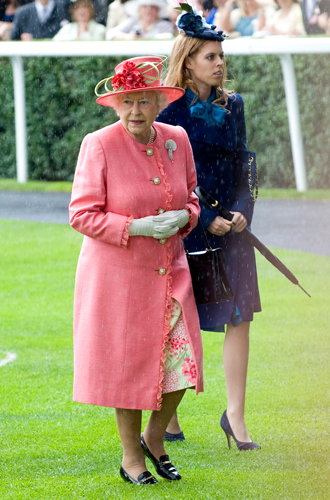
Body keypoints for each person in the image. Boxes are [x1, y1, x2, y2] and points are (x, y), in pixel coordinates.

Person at [69, 56, 204, 484]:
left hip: (170, 273)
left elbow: (193, 198)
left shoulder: (176, 139)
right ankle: (132, 458)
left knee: (183, 364)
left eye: (143, 102)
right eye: (126, 102)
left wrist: (187, 216)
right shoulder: (99, 144)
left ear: (158, 104)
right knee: (127, 367)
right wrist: (136, 226)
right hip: (118, 279)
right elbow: (81, 214)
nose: (134, 112)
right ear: (115, 104)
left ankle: (155, 436)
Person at [157, 5, 261, 450]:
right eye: (210, 57)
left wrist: (241, 211)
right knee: (177, 316)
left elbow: (245, 164)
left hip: (232, 234)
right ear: (188, 62)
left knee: (240, 318)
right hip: (189, 231)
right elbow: (165, 176)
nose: (220, 63)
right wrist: (203, 220)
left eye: (221, 56)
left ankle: (235, 417)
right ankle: (169, 414)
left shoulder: (233, 105)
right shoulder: (169, 110)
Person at [105, 0, 173, 40]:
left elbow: (169, 37)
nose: (148, 10)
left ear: (157, 11)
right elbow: (110, 33)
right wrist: (128, 36)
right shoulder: (133, 21)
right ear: (139, 10)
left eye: (152, 7)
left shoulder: (164, 25)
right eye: (145, 7)